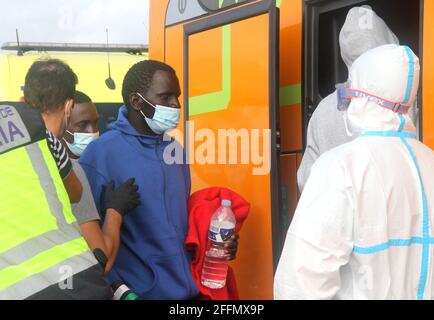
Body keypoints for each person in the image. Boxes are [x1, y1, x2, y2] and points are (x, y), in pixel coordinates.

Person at [274, 44, 434, 299]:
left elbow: (300, 283)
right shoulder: (430, 162)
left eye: (347, 96)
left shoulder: (339, 167)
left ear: (361, 98)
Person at [80, 60, 238, 300]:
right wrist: (120, 290)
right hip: (139, 294)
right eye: (166, 97)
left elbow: (180, 224)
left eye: (177, 96)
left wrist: (215, 244)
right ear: (136, 102)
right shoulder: (100, 154)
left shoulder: (175, 150)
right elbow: (85, 237)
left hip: (190, 292)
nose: (175, 104)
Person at [0, 58, 110, 299]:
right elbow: (76, 193)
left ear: (23, 101)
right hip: (76, 281)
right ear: (69, 106)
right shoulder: (49, 143)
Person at [297, 6, 405, 193]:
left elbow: (307, 181)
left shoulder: (323, 111)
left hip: (342, 219)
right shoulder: (404, 99)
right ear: (388, 43)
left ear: (345, 53)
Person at [61, 91, 140, 273]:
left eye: (96, 123)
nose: (92, 132)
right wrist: (115, 211)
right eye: (83, 125)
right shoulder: (69, 174)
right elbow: (101, 261)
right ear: (61, 126)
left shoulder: (103, 163)